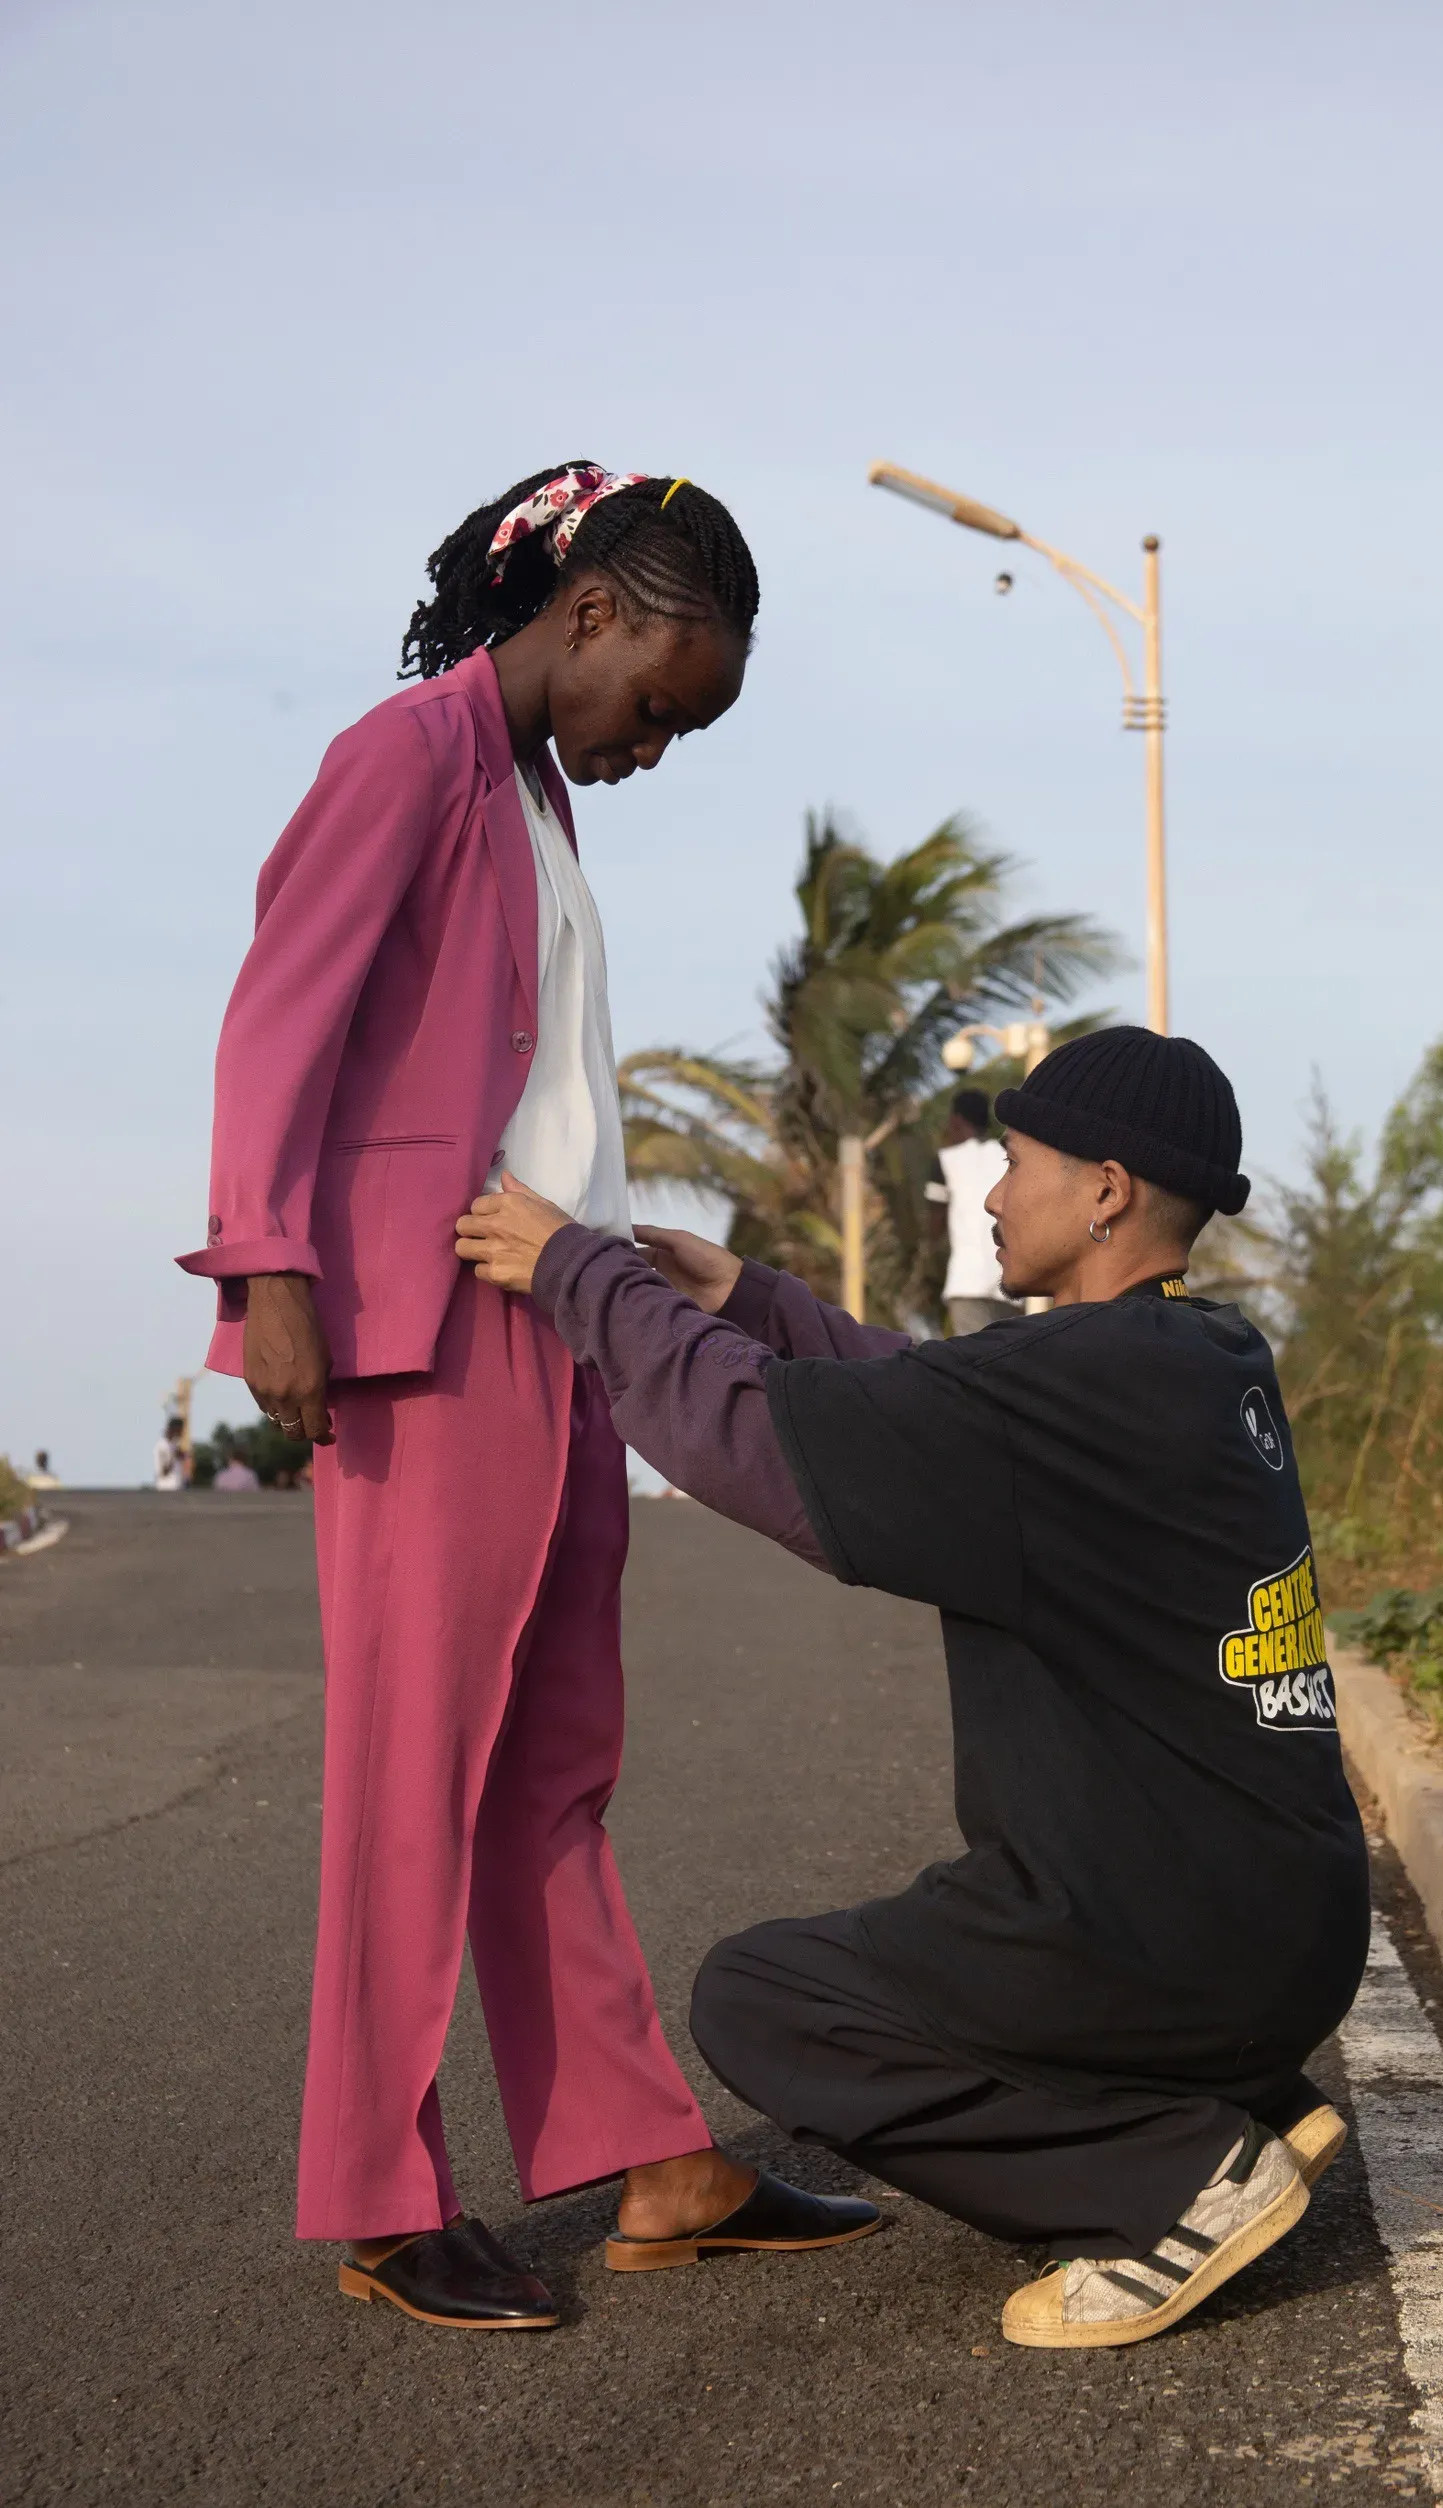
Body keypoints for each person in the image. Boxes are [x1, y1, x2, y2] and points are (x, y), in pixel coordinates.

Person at [177, 462, 875, 2333]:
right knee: (418, 1768)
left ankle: (655, 2158)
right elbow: (279, 1013)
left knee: (553, 1763)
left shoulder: (534, 793)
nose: (658, 742)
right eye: (661, 699)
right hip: (426, 1331)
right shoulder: (405, 756)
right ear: (587, 615)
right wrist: (269, 1266)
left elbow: (534, 1078)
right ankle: (382, 2196)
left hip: (554, 1312)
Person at [456, 1026, 1370, 2349]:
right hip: (1283, 1937)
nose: (990, 1195)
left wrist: (577, 1273)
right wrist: (758, 1305)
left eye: (1014, 1161)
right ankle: (1244, 2104)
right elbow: (941, 1398)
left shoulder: (1072, 1386)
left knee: (772, 1999)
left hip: (1172, 1944)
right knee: (958, 1943)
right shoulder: (1197, 1360)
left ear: (1107, 1190)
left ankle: (1170, 2180)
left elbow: (750, 1441)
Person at [924, 1088, 1017, 1333]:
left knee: (973, 1364)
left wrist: (929, 1250)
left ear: (956, 1120)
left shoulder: (944, 1160)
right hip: (1010, 1283)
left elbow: (935, 1221)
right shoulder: (1007, 1157)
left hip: (966, 1281)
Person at [152, 1418, 188, 1493]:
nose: (182, 1433)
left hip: (177, 1487)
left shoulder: (174, 1445)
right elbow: (163, 1471)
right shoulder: (161, 1446)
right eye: (180, 1430)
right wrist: (174, 1457)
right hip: (166, 1488)